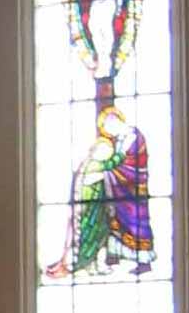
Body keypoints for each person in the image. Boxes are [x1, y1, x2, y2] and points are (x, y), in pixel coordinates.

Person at [46, 105, 155, 278]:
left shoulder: (133, 136)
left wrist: (105, 171)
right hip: (117, 190)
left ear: (117, 120)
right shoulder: (117, 139)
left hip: (132, 189)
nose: (110, 131)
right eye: (106, 128)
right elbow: (111, 162)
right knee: (114, 223)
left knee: (136, 224)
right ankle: (114, 255)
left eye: (110, 125)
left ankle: (143, 261)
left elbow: (131, 163)